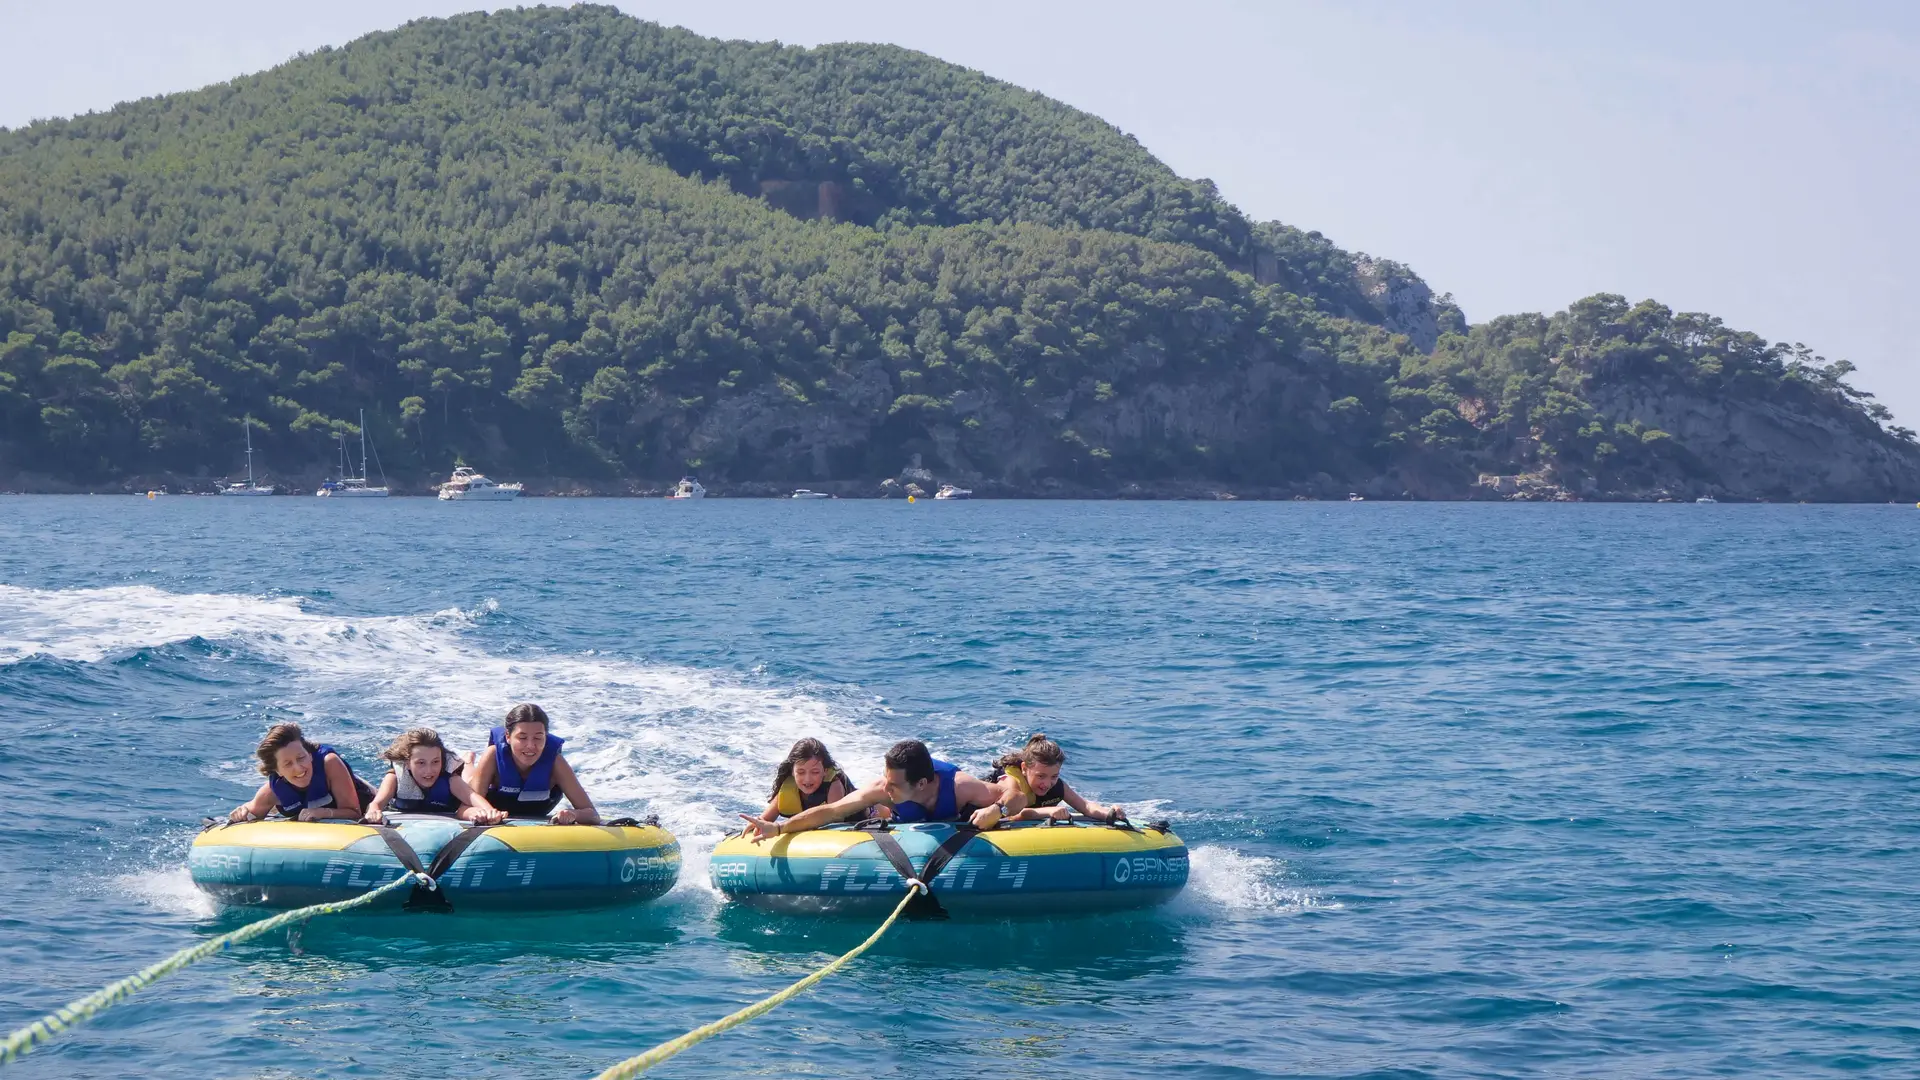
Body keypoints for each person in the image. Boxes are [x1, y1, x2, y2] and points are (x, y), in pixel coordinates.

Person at [740, 739, 1006, 839]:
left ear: (921, 783)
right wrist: (778, 828)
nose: (885, 787)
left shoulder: (961, 786)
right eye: (885, 778)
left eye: (895, 784)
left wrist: (997, 809)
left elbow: (1013, 793)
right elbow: (831, 811)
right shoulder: (882, 789)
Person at [462, 703, 600, 824]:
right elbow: (463, 808)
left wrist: (573, 814)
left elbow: (592, 814)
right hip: (494, 804)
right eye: (522, 738)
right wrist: (482, 813)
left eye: (538, 738)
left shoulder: (555, 762)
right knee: (468, 780)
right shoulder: (493, 755)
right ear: (508, 737)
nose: (530, 746)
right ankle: (468, 762)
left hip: (537, 809)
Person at [228, 723, 375, 822]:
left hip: (363, 796)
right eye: (288, 764)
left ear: (310, 754)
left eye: (301, 758)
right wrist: (242, 812)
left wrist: (322, 813)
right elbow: (252, 811)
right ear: (277, 771)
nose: (298, 768)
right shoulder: (272, 791)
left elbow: (354, 812)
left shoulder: (330, 763)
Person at [361, 728, 507, 824]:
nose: (429, 770)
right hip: (402, 807)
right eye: (421, 763)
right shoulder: (395, 778)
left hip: (459, 783)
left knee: (468, 780)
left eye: (435, 762)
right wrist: (373, 812)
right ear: (407, 763)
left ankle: (468, 761)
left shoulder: (450, 779)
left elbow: (472, 797)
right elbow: (376, 803)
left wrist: (490, 812)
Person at [988, 733, 1128, 824]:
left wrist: (1109, 813)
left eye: (1054, 776)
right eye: (1041, 776)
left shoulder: (1056, 786)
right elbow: (1011, 814)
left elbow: (1085, 806)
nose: (1047, 784)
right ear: (1024, 769)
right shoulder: (1011, 781)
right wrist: (1049, 811)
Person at [757, 738, 856, 823]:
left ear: (825, 771)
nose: (807, 779)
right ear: (792, 771)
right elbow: (763, 820)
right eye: (801, 772)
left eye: (815, 772)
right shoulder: (788, 788)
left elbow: (834, 823)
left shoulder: (834, 785)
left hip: (862, 823)